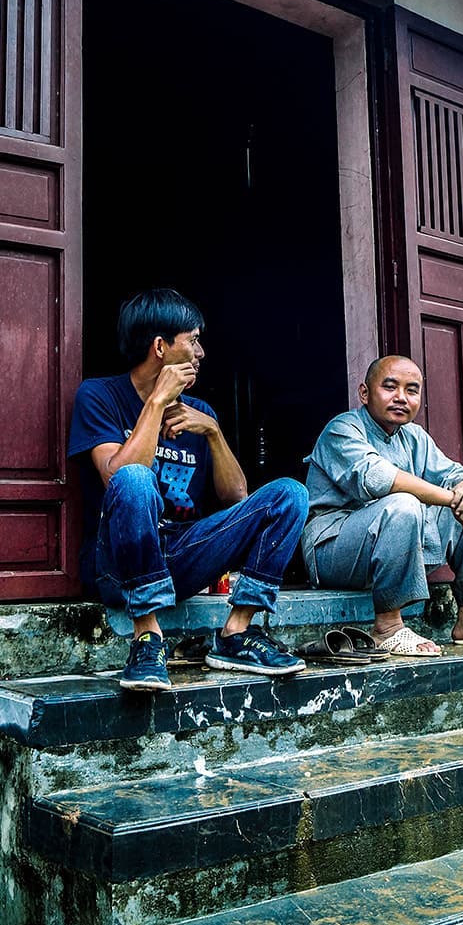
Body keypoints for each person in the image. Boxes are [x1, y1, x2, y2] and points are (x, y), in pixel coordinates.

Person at [68, 288, 308, 691]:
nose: (200, 353)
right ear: (160, 347)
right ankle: (147, 637)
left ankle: (236, 633)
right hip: (118, 563)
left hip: (183, 555)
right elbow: (117, 476)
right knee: (134, 478)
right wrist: (157, 402)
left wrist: (212, 432)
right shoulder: (100, 396)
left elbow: (237, 497)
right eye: (193, 340)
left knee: (290, 495)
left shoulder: (202, 411)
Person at [301, 355, 463, 657]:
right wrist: (450, 497)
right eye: (390, 387)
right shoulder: (343, 429)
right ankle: (387, 628)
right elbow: (379, 479)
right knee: (403, 503)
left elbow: (454, 473)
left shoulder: (414, 437)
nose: (401, 398)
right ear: (365, 393)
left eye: (412, 390)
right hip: (333, 549)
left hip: (385, 544)